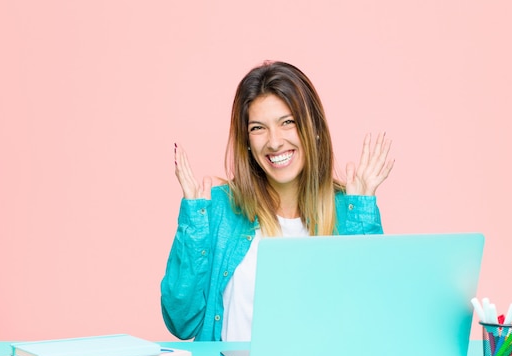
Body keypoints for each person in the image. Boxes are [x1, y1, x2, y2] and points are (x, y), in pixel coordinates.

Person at [161, 61, 394, 341]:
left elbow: (373, 323)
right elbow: (180, 322)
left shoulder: (349, 211)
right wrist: (194, 226)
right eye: (258, 128)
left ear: (313, 128)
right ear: (247, 140)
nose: (274, 142)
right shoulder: (218, 209)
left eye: (287, 123)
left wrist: (362, 219)